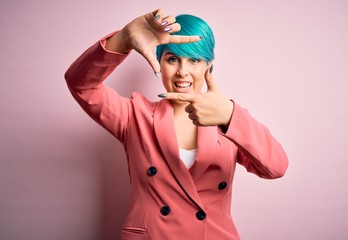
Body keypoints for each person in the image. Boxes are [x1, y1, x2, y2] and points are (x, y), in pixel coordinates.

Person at [65, 8, 288, 240]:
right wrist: (122, 40)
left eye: (194, 60)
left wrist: (230, 115)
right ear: (160, 61)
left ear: (208, 66)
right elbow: (81, 85)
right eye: (173, 59)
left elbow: (276, 167)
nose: (183, 72)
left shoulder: (228, 119)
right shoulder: (134, 115)